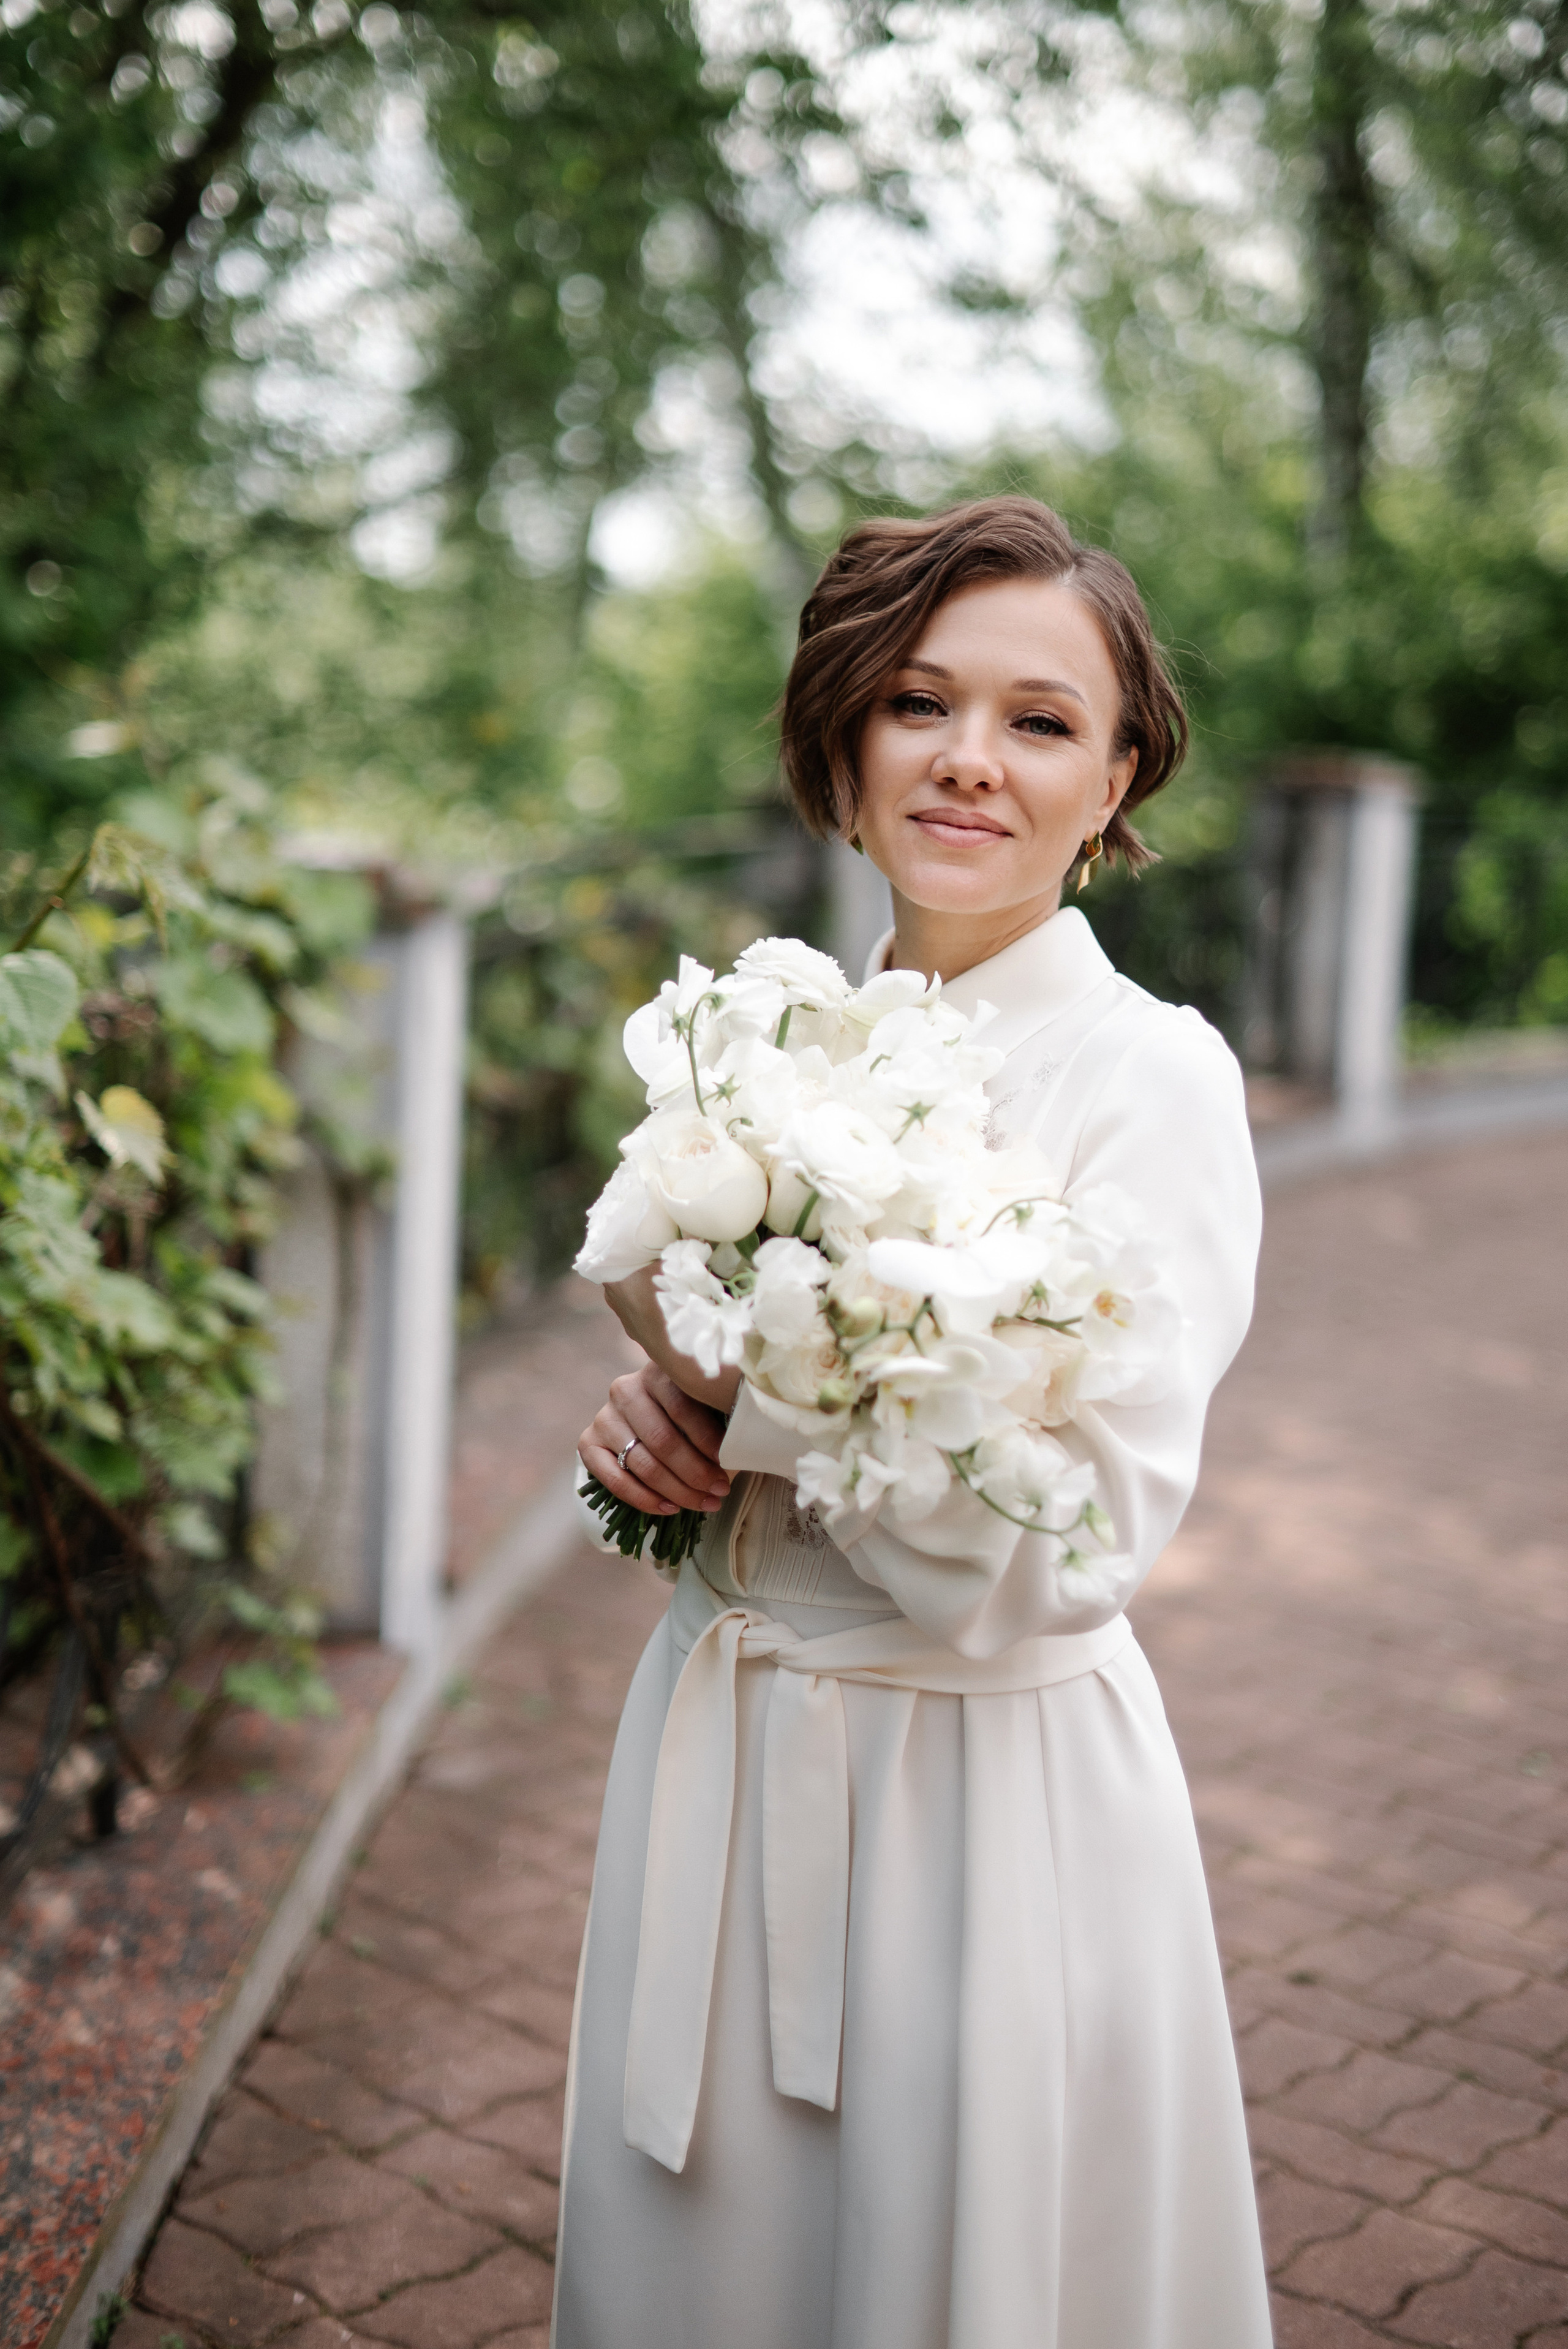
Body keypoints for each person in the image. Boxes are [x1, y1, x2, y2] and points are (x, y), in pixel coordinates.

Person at [554, 495, 1273, 2349]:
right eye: (919, 704)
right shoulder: (779, 1048)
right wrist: (658, 1429)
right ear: (844, 742)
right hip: (721, 1740)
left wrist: (757, 1398)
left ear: (1115, 784)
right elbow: (728, 1379)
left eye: (1041, 722)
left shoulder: (1152, 1076)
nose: (970, 761)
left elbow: (1081, 1544)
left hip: (975, 1806)